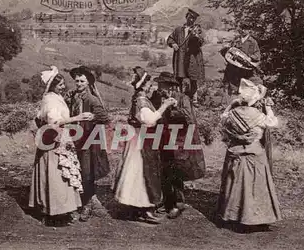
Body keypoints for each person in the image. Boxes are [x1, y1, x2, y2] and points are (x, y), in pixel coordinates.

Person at [28, 66, 94, 226]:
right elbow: (54, 121)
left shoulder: (55, 97)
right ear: (52, 86)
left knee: (62, 174)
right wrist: (78, 117)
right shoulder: (50, 100)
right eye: (60, 85)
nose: (63, 87)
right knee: (56, 173)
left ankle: (60, 209)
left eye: (64, 84)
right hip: (54, 140)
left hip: (60, 138)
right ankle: (53, 211)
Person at [113, 67, 178, 224]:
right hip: (141, 140)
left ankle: (136, 208)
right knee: (143, 173)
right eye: (149, 83)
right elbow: (149, 121)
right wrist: (165, 106)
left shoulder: (140, 98)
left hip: (136, 139)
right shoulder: (142, 101)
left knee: (136, 173)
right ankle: (145, 208)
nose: (151, 86)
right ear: (143, 85)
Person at [216, 78, 281, 233]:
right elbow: (273, 123)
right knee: (255, 187)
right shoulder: (258, 116)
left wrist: (232, 104)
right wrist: (269, 108)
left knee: (235, 185)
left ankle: (232, 215)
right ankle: (254, 218)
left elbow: (223, 118)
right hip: (254, 155)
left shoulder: (232, 114)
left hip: (236, 153)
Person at [153, 72, 206, 219]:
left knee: (176, 171)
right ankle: (166, 201)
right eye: (158, 85)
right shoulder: (158, 98)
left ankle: (178, 204)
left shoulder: (183, 98)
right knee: (164, 170)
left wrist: (174, 108)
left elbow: (190, 119)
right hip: (163, 138)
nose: (158, 88)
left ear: (170, 87)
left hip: (180, 140)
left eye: (161, 85)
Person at [67, 66, 111, 222]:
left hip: (88, 140)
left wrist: (92, 117)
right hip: (75, 138)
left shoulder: (91, 99)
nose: (78, 83)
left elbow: (105, 117)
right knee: (76, 170)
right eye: (76, 81)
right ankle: (79, 202)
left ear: (87, 83)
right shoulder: (73, 97)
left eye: (81, 81)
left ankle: (87, 205)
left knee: (87, 172)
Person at [167, 8, 205, 106]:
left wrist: (196, 37)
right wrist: (173, 44)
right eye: (190, 17)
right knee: (180, 77)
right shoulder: (178, 29)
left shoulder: (197, 30)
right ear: (186, 16)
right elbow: (170, 39)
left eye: (194, 18)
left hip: (192, 57)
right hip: (180, 57)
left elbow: (201, 42)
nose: (191, 20)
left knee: (193, 77)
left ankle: (194, 99)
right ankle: (181, 98)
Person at [220, 23, 261, 96]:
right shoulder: (236, 39)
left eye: (246, 29)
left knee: (244, 88)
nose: (243, 30)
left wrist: (249, 57)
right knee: (232, 86)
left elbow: (257, 55)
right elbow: (229, 51)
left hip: (245, 69)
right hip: (233, 67)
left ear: (249, 30)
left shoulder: (253, 42)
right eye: (242, 28)